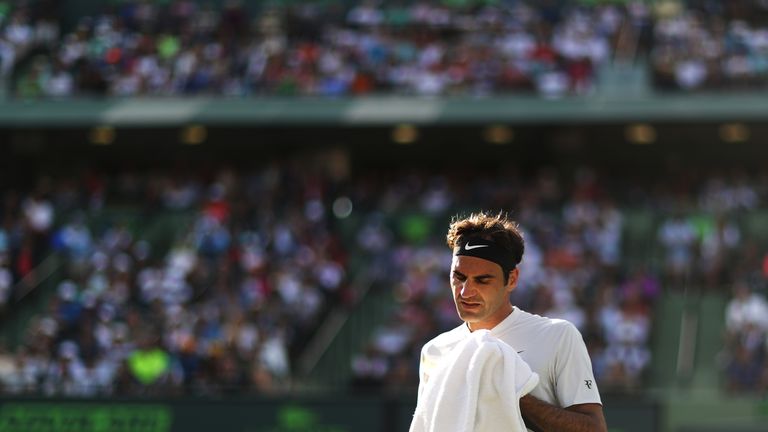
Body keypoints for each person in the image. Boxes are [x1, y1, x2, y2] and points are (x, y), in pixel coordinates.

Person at [413, 212, 607, 432]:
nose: (466, 292)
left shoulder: (558, 335)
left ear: (512, 279)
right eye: (459, 277)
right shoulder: (434, 351)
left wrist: (513, 392)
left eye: (482, 280)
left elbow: (594, 429)